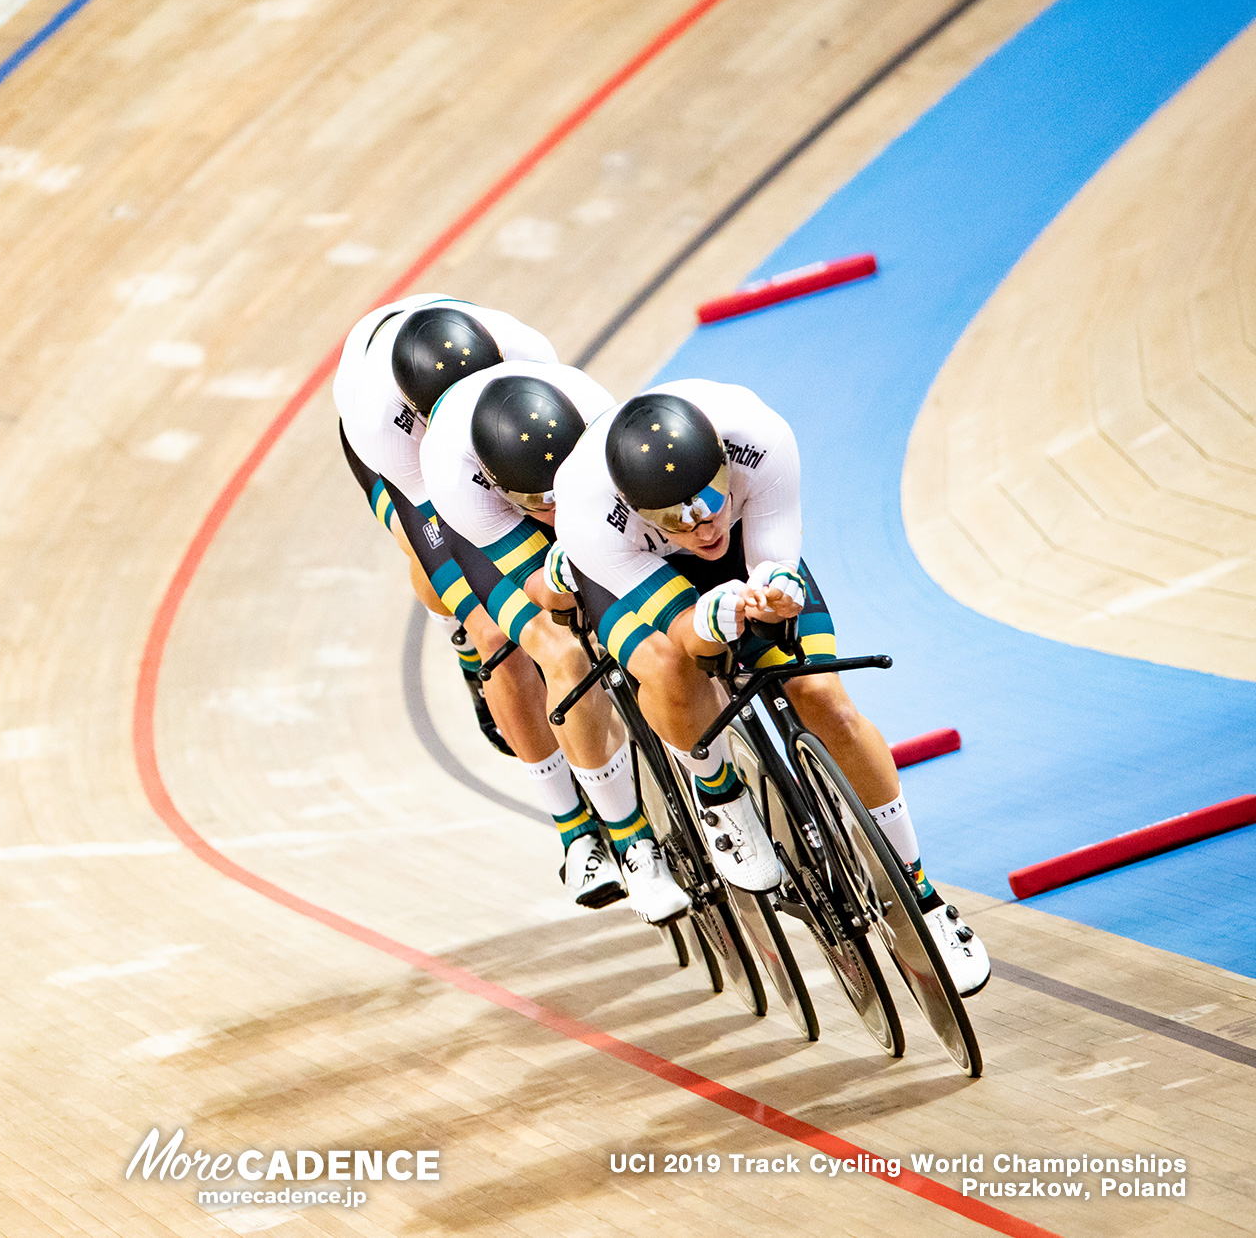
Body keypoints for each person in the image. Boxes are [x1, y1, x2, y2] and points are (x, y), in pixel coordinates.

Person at [544, 381, 990, 994]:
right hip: (639, 572)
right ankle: (719, 793)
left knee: (824, 699)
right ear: (642, 509)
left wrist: (775, 592)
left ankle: (922, 896)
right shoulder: (589, 516)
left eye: (708, 499)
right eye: (676, 516)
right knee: (675, 669)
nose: (699, 525)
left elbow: (774, 564)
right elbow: (688, 635)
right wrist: (711, 620)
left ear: (726, 467)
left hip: (747, 549)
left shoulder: (761, 438)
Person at [334, 295, 625, 908]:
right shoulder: (379, 420)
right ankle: (576, 836)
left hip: (508, 435)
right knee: (497, 628)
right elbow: (452, 530)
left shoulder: (527, 355)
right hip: (415, 470)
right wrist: (490, 609)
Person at [420, 361, 691, 924]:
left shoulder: (590, 408)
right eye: (533, 497)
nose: (549, 504)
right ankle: (619, 841)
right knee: (552, 648)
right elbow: (526, 578)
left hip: (581, 475)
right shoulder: (447, 471)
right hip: (484, 526)